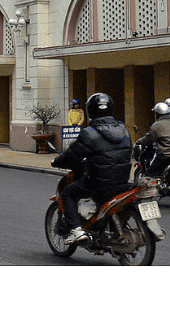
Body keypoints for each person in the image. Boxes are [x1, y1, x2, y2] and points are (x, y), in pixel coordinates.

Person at [50, 93, 132, 245]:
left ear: (90, 111)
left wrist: (56, 161)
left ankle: (76, 230)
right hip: (122, 181)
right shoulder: (124, 130)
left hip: (98, 183)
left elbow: (71, 156)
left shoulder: (89, 133)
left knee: (68, 192)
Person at [134, 101, 170, 178]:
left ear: (157, 114)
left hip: (166, 155)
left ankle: (153, 188)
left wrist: (139, 142)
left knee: (150, 174)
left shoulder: (157, 125)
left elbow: (149, 138)